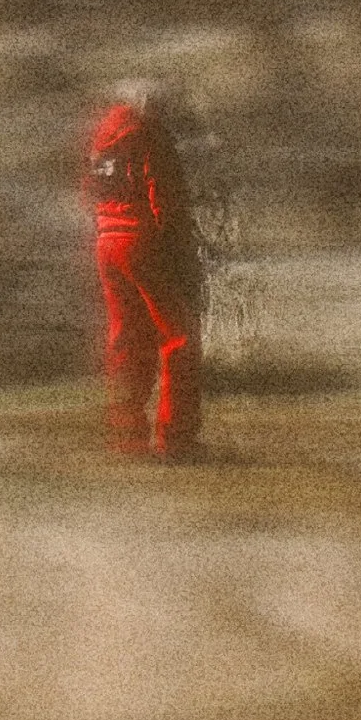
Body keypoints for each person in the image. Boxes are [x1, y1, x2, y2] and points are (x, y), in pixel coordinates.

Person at [83, 80, 202, 459]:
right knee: (179, 337)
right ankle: (177, 439)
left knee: (126, 340)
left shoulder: (103, 137)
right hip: (144, 242)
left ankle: (127, 438)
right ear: (149, 104)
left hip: (107, 243)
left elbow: (91, 190)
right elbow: (164, 198)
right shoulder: (149, 132)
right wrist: (181, 252)